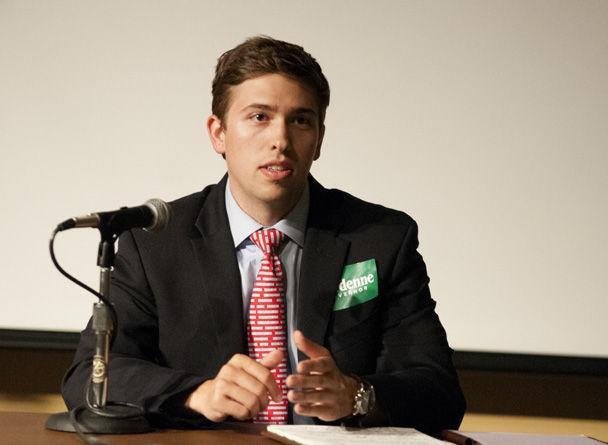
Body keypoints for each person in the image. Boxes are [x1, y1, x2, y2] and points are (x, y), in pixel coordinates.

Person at [62, 35, 466, 436]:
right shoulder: (155, 243)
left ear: (319, 138)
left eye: (300, 120)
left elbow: (440, 392)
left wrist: (356, 394)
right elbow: (90, 376)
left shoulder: (378, 239)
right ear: (218, 133)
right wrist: (199, 394)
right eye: (259, 117)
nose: (281, 141)